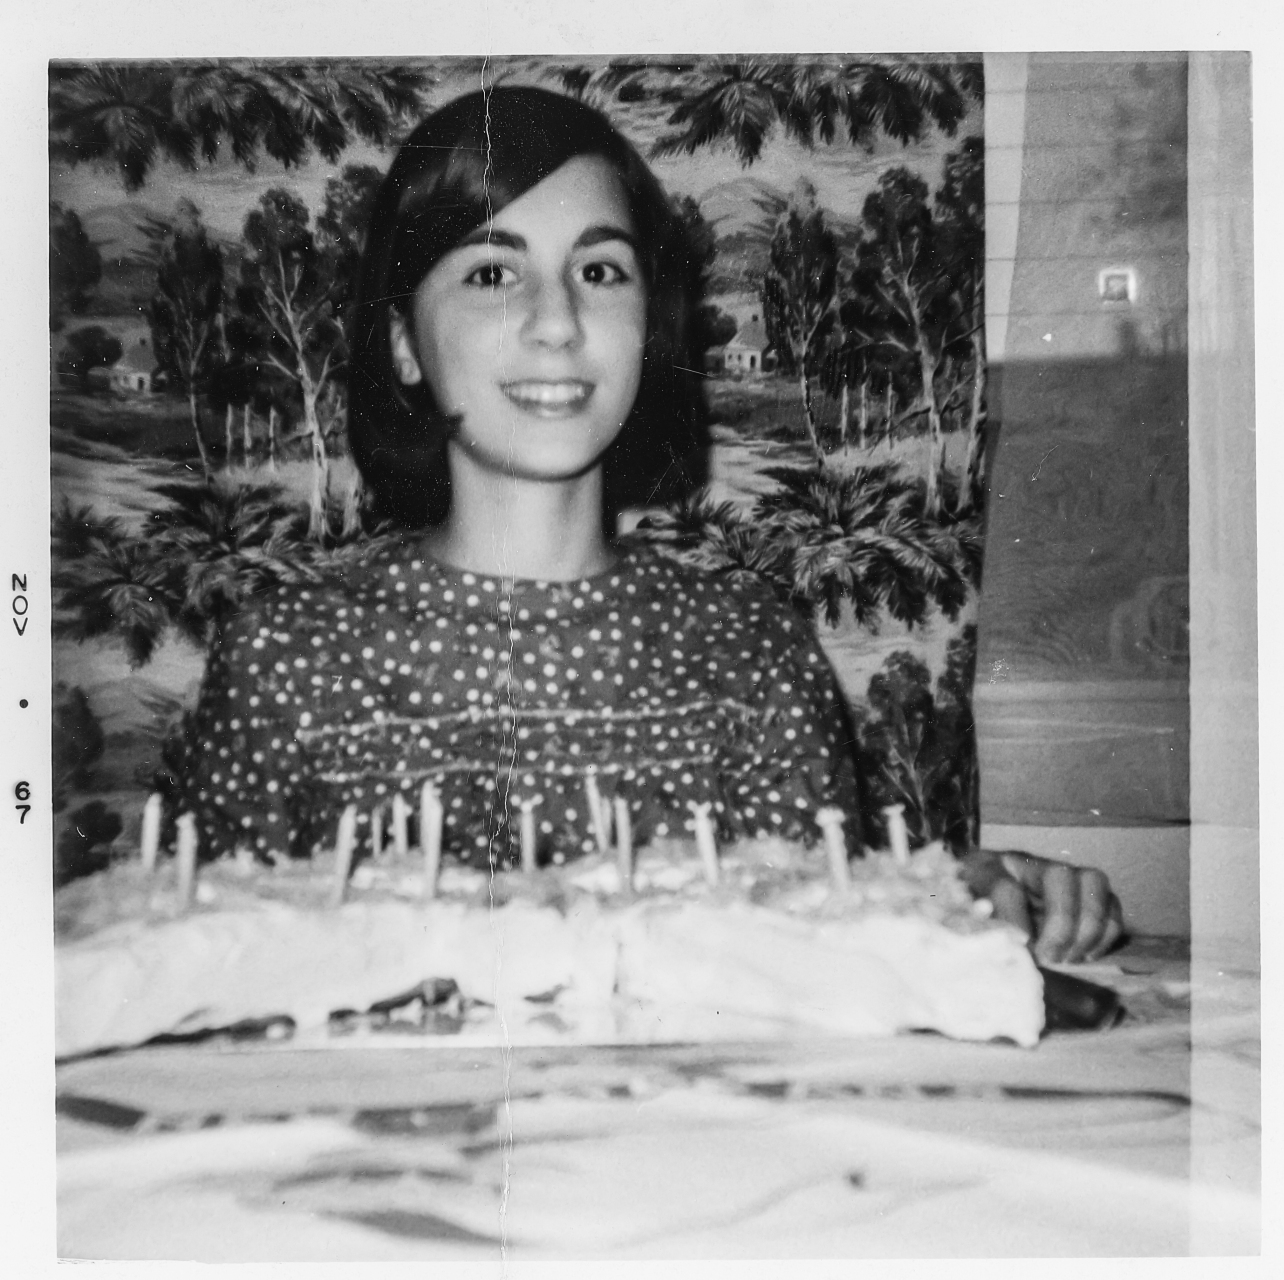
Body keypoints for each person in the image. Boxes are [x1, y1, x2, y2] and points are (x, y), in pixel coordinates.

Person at [174, 85, 1121, 964]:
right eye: (493, 273)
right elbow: (197, 978)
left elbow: (820, 952)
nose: (557, 321)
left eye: (599, 270)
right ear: (403, 346)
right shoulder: (282, 660)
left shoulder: (750, 652)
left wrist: (953, 896)